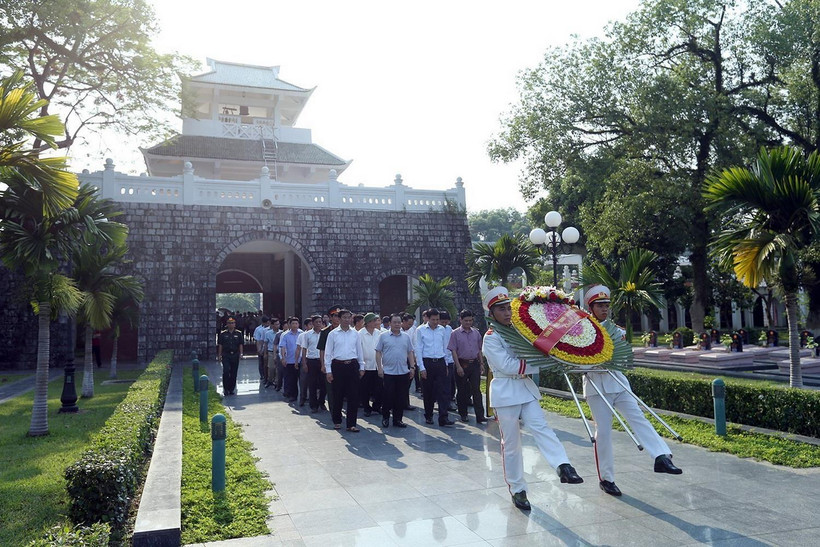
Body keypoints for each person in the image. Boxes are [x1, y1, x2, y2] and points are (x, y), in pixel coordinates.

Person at [482, 286, 583, 511]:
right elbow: (507, 366)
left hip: (525, 389)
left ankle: (563, 465)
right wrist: (541, 364)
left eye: (508, 308)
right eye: (501, 309)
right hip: (506, 392)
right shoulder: (491, 338)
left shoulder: (520, 330)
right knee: (512, 444)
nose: (507, 313)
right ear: (492, 314)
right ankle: (518, 490)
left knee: (542, 427)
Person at [582, 284, 682, 497]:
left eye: (606, 305)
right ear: (590, 307)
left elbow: (625, 358)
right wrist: (594, 363)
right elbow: (575, 361)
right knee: (604, 432)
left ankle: (661, 456)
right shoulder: (581, 331)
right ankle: (606, 479)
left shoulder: (617, 331)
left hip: (617, 382)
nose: (604, 309)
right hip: (596, 386)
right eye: (599, 305)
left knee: (638, 418)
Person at [324, 309, 365, 432]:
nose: (347, 319)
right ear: (339, 319)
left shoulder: (355, 334)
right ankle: (337, 421)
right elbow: (328, 353)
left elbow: (359, 351)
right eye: (344, 317)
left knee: (353, 395)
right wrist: (328, 370)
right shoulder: (333, 334)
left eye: (349, 317)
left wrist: (361, 366)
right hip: (338, 366)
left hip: (352, 365)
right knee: (338, 395)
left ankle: (351, 424)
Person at [376, 313, 416, 428]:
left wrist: (412, 367)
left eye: (399, 322)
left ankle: (398, 420)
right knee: (388, 397)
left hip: (403, 372)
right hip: (388, 372)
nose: (397, 324)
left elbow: (410, 352)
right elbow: (378, 352)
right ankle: (386, 418)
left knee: (401, 397)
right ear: (390, 323)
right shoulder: (383, 336)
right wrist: (380, 368)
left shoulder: (406, 337)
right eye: (395, 322)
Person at [415, 308, 453, 427]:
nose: (436, 322)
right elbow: (418, 349)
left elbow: (445, 347)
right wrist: (421, 368)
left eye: (437, 319)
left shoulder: (442, 330)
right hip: (427, 362)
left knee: (443, 391)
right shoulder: (420, 330)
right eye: (433, 319)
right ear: (427, 318)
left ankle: (443, 417)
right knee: (428, 392)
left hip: (440, 362)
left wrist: (446, 364)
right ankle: (429, 415)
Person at [448, 309, 486, 424]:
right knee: (462, 390)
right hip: (461, 363)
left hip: (474, 364)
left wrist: (481, 364)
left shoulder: (476, 333)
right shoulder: (455, 333)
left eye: (470, 320)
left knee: (476, 390)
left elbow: (479, 349)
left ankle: (480, 415)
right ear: (461, 320)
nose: (468, 323)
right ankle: (463, 414)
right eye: (466, 321)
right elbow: (453, 351)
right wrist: (458, 366)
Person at [358, 312, 383, 417]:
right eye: (373, 321)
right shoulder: (360, 334)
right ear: (367, 323)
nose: (375, 322)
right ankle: (366, 408)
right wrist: (361, 366)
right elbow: (358, 350)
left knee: (379, 388)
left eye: (376, 320)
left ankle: (376, 407)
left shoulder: (379, 333)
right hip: (366, 365)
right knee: (365, 389)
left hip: (378, 365)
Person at [300, 315, 326, 413]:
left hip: (322, 361)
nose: (319, 324)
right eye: (317, 322)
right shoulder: (307, 335)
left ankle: (321, 402)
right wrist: (304, 363)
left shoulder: (325, 334)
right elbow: (304, 349)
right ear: (313, 323)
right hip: (312, 361)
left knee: (323, 384)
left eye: (320, 322)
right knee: (312, 384)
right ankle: (313, 405)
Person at [217, 317, 244, 396]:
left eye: (232, 323)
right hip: (226, 355)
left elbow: (240, 344)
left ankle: (231, 389)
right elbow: (220, 345)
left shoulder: (238, 333)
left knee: (233, 372)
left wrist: (241, 353)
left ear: (235, 324)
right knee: (226, 371)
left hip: (235, 355)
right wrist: (219, 355)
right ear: (227, 324)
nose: (231, 324)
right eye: (229, 323)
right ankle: (225, 389)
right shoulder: (223, 334)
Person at [279, 317, 303, 402]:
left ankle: (303, 396)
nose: (295, 325)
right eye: (293, 323)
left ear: (298, 324)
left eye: (296, 323)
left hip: (301, 360)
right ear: (290, 325)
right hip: (290, 360)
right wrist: (283, 358)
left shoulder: (302, 334)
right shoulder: (286, 335)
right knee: (292, 379)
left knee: (303, 379)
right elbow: (283, 347)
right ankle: (293, 395)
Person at [253, 316, 271, 383]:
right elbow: (258, 340)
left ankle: (268, 376)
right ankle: (262, 375)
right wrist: (259, 350)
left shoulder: (270, 329)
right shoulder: (259, 329)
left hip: (268, 348)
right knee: (261, 363)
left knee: (267, 363)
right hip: (262, 348)